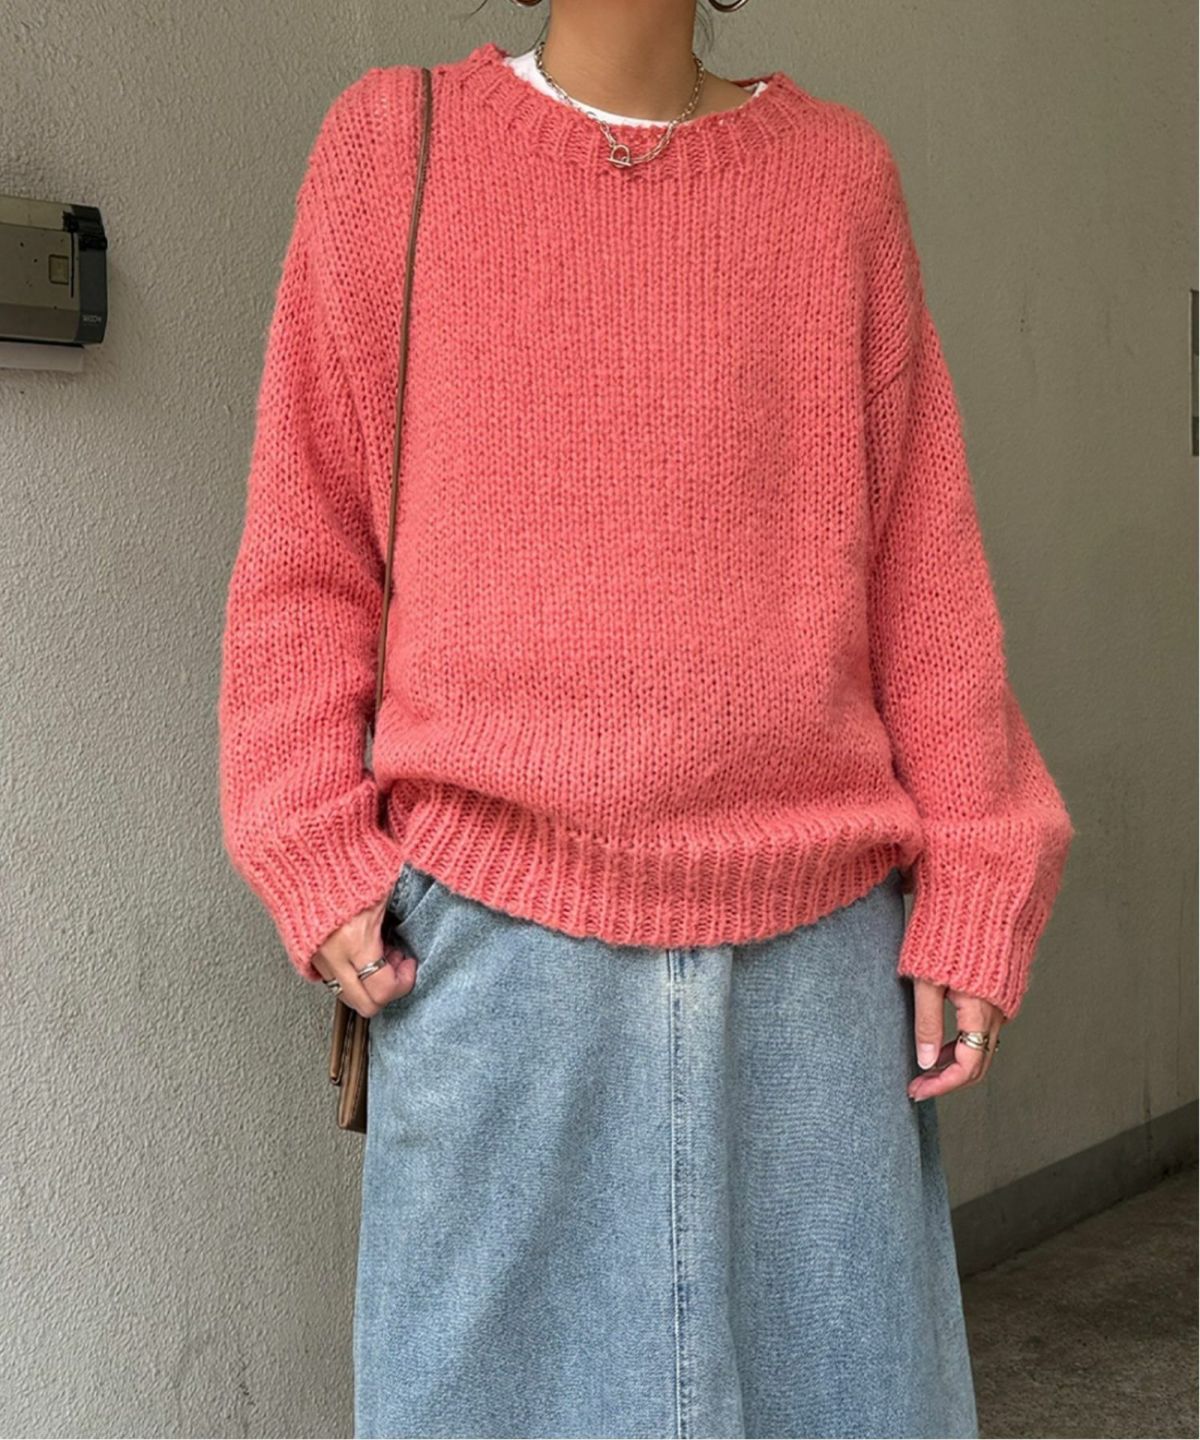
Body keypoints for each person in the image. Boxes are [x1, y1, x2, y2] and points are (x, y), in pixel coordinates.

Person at [217, 2, 1075, 1435]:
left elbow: (922, 568)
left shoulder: (837, 180)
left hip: (816, 977)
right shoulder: (393, 149)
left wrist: (983, 867)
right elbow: (309, 542)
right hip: (493, 960)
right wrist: (307, 839)